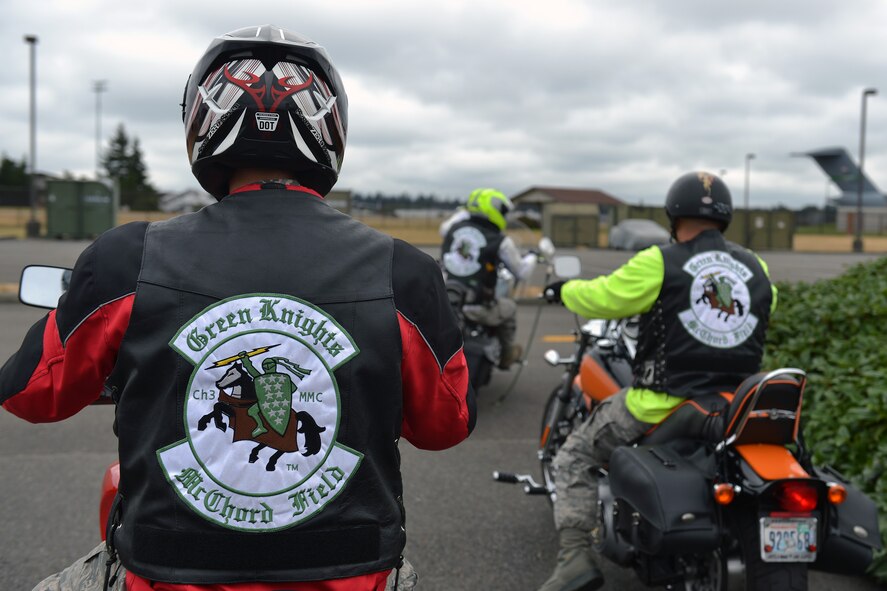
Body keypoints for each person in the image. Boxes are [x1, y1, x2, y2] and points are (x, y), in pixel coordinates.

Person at [0, 24, 475, 591]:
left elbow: (30, 394)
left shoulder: (128, 258)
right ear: (330, 128)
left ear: (203, 121)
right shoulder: (405, 271)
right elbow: (447, 423)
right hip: (355, 575)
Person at [537, 171, 778, 591]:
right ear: (725, 218)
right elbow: (768, 304)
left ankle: (576, 560)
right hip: (730, 404)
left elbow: (605, 296)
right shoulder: (755, 267)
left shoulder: (660, 261)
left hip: (659, 405)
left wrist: (566, 290)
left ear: (673, 214)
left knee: (573, 457)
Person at [440, 188, 537, 369]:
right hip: (476, 307)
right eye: (502, 211)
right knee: (510, 308)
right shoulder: (500, 241)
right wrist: (533, 256)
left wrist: (468, 209)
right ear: (493, 209)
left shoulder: (450, 229)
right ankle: (506, 356)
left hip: (443, 302)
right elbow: (522, 272)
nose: (504, 216)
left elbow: (455, 219)